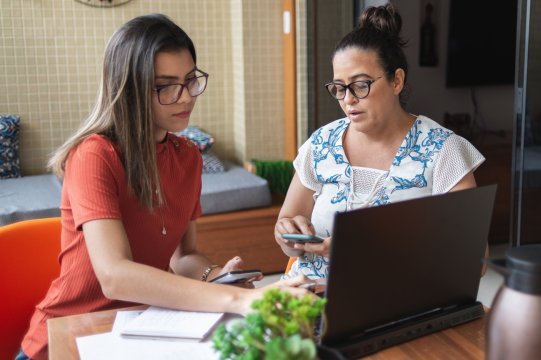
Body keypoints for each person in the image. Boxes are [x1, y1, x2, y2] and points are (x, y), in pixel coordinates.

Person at [17, 14, 310, 360]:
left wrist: (217, 277)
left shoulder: (188, 157)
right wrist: (241, 299)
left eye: (190, 81)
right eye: (166, 86)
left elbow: (183, 255)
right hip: (71, 335)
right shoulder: (94, 155)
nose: (185, 97)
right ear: (130, 89)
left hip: (144, 326)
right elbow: (114, 275)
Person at [274, 4, 486, 280]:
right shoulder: (321, 144)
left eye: (361, 85)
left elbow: (475, 261)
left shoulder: (442, 150)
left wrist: (361, 249)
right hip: (310, 295)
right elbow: (285, 232)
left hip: (398, 304)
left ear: (396, 81)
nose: (348, 99)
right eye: (339, 88)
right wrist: (288, 236)